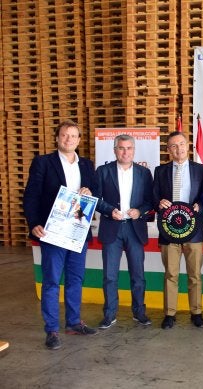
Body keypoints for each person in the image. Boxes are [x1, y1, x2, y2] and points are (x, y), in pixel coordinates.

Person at [23, 119, 100, 350]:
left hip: (77, 231)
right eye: (64, 135)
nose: (69, 139)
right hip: (52, 231)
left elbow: (95, 192)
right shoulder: (43, 163)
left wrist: (89, 190)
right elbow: (31, 195)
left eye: (73, 135)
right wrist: (34, 222)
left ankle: (74, 322)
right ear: (57, 138)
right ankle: (52, 330)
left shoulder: (86, 165)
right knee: (51, 282)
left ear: (79, 140)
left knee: (76, 278)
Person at [95, 134, 153, 329]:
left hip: (134, 229)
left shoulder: (144, 173)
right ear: (114, 150)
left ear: (134, 150)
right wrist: (109, 211)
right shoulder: (103, 171)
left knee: (138, 275)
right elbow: (96, 199)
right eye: (121, 148)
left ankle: (139, 313)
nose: (125, 152)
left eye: (128, 148)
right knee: (110, 276)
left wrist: (140, 211)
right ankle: (109, 315)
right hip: (112, 227)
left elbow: (150, 201)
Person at [153, 131, 203, 329]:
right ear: (168, 150)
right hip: (168, 231)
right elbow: (154, 197)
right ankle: (169, 313)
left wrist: (200, 206)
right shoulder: (160, 171)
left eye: (182, 144)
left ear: (188, 145)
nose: (179, 149)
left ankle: (197, 312)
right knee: (171, 274)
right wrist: (159, 202)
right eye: (174, 146)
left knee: (195, 275)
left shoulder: (202, 169)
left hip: (194, 231)